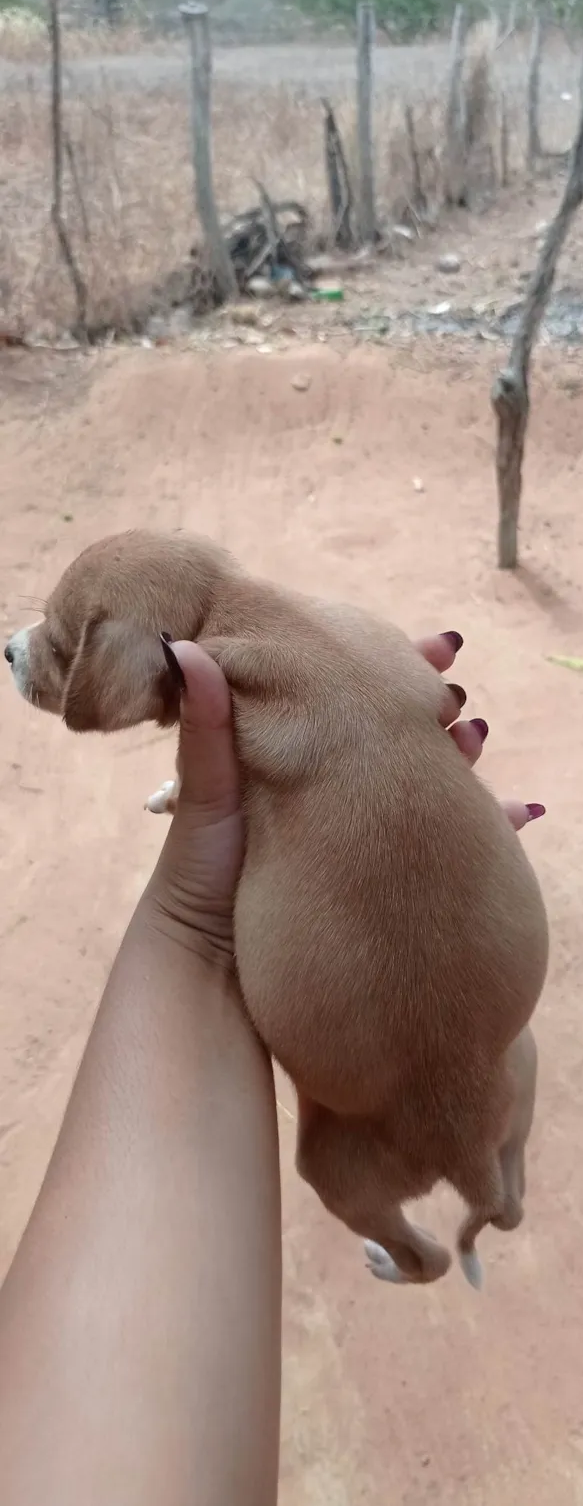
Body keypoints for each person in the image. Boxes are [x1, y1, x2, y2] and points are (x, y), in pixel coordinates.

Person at [0, 631, 545, 1506]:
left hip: (373, 1104)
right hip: (484, 1062)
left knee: (335, 1158)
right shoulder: (326, 665)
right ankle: (497, 1200)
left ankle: (428, 1245)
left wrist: (199, 922)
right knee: (494, 1088)